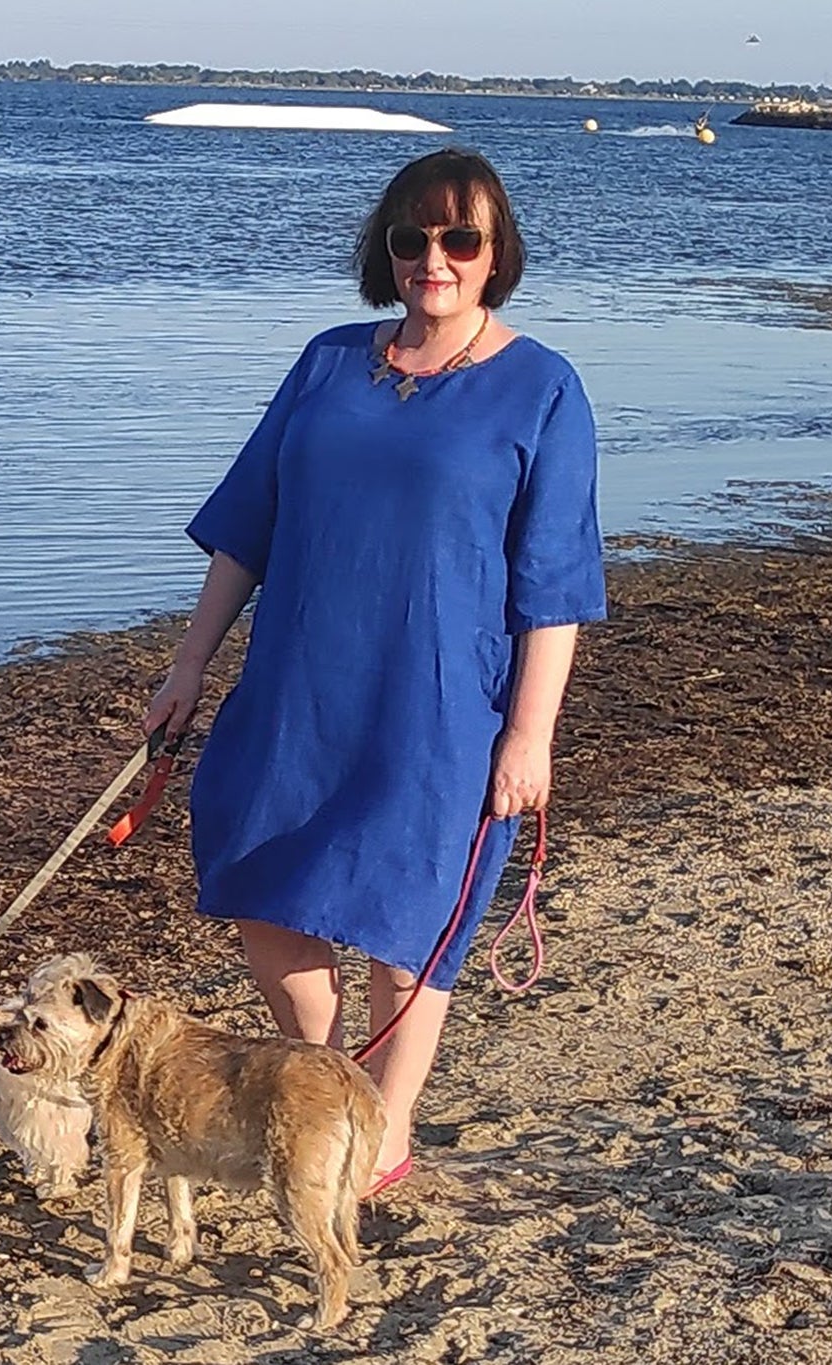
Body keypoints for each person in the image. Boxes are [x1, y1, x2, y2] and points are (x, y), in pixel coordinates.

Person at [143, 148, 606, 1198]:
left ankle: (381, 1138)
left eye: (458, 239)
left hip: (440, 704)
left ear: (494, 256)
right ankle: (332, 1079)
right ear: (384, 251)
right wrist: (186, 665)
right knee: (257, 884)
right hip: (295, 690)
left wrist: (528, 736)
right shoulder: (324, 363)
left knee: (409, 919)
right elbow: (243, 530)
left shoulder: (541, 388)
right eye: (411, 238)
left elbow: (556, 584)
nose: (432, 259)